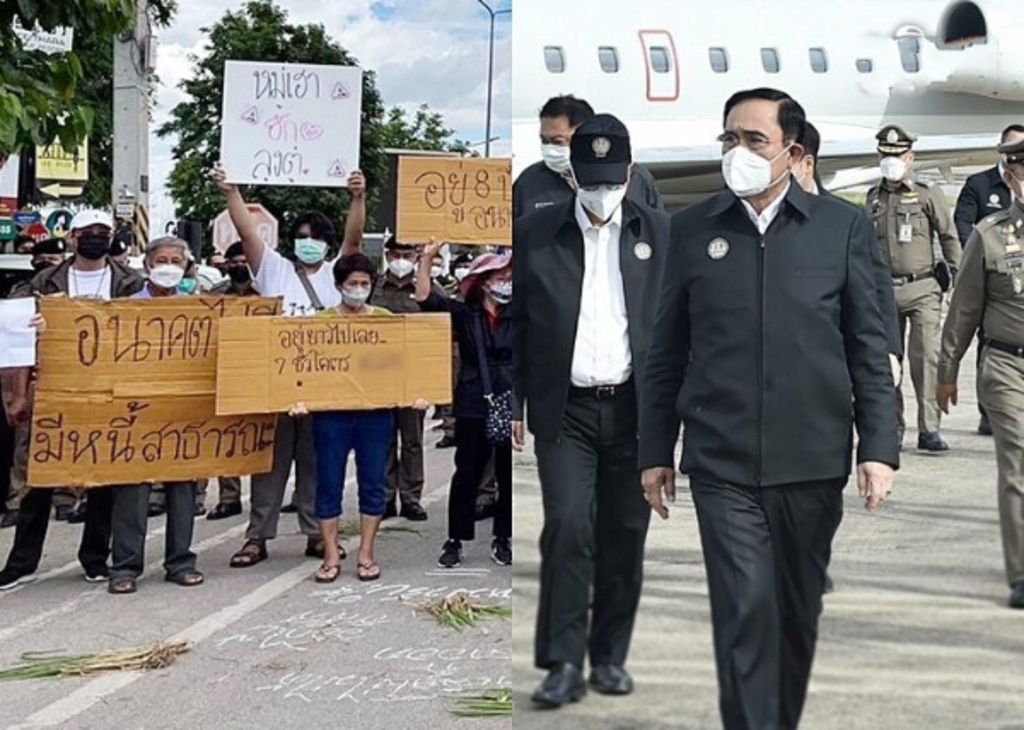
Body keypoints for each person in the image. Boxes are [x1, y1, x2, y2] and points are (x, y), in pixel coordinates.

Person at [639, 88, 898, 730]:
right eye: (729, 138)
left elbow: (869, 344)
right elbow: (665, 349)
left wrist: (879, 448)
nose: (738, 152)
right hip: (721, 463)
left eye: (754, 140)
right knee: (744, 611)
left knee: (795, 610)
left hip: (811, 460)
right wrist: (654, 452)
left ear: (792, 152)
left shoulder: (841, 229)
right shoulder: (694, 229)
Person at [514, 113, 670, 708]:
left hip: (634, 410)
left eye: (612, 181)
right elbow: (521, 324)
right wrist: (517, 401)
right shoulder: (537, 231)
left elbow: (678, 330)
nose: (602, 194)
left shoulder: (659, 231)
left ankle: (608, 657)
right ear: (573, 176)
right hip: (566, 411)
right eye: (591, 181)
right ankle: (560, 662)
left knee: (624, 533)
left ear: (628, 174)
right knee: (568, 528)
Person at [213, 163, 365, 568]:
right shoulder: (275, 269)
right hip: (277, 386)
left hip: (322, 388)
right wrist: (232, 192)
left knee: (319, 462)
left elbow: (354, 239)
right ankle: (257, 537)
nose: (308, 243)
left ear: (328, 245)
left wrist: (358, 197)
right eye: (301, 238)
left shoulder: (338, 274)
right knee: (269, 464)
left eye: (315, 238)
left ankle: (317, 534)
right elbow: (247, 231)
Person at [0, 209, 143, 591]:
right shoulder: (44, 282)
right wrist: (17, 394)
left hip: (107, 393)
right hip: (51, 391)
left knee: (102, 480)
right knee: (38, 479)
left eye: (104, 232)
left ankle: (95, 557)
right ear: (73, 237)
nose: (97, 237)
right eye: (88, 232)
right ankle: (22, 562)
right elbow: (19, 341)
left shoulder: (131, 283)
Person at [293, 253, 425, 583]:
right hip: (331, 416)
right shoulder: (321, 322)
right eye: (352, 283)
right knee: (329, 483)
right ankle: (329, 553)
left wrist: (416, 394)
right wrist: (298, 398)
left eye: (365, 283)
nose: (359, 289)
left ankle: (366, 553)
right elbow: (305, 368)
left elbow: (403, 365)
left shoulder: (384, 319)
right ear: (339, 286)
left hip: (375, 415)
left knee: (373, 484)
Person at [938, 135, 1024, 609]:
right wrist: (946, 371)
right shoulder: (989, 235)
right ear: (1010, 178)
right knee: (1018, 464)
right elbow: (964, 309)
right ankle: (1022, 572)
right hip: (1008, 365)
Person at [107, 237, 204, 595]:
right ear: (147, 265)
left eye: (175, 260)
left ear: (185, 267)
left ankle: (180, 562)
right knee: (133, 489)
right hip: (137, 411)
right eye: (161, 259)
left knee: (182, 487)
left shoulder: (198, 311)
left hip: (181, 411)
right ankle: (125, 566)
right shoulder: (123, 309)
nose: (168, 266)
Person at [865, 124, 961, 452]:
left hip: (921, 288)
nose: (890, 161)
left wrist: (957, 281)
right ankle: (893, 425)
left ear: (910, 157)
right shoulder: (873, 198)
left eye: (897, 155)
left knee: (926, 358)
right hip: (884, 293)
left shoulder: (926, 192)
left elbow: (948, 237)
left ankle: (929, 428)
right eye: (885, 155)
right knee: (887, 361)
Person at [417, 242, 512, 569]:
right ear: (484, 281)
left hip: (510, 401)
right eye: (501, 275)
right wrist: (427, 258)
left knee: (507, 471)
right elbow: (426, 300)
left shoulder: (520, 313)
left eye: (510, 275)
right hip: (474, 401)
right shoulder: (465, 314)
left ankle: (503, 537)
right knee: (468, 471)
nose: (507, 281)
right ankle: (455, 539)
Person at [952, 123, 1024, 436]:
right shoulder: (980, 183)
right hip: (991, 277)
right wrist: (977, 255)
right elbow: (964, 221)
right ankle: (988, 408)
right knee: (991, 342)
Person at [370, 236, 439, 522]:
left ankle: (411, 498)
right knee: (383, 439)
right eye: (395, 253)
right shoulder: (372, 288)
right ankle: (385, 498)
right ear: (387, 254)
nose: (400, 259)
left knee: (412, 441)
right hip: (377, 374)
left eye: (406, 253)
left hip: (414, 377)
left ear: (415, 256)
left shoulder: (427, 289)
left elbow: (440, 330)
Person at [512, 95, 664, 219]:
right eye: (544, 141)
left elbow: (658, 233)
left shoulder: (635, 179)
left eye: (558, 142)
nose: (549, 149)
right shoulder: (528, 183)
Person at [204, 241, 259, 521]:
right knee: (227, 435)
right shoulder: (213, 296)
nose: (240, 266)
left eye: (244, 260)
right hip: (226, 369)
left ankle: (286, 497)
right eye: (234, 262)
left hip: (261, 370)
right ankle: (229, 497)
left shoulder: (268, 291)